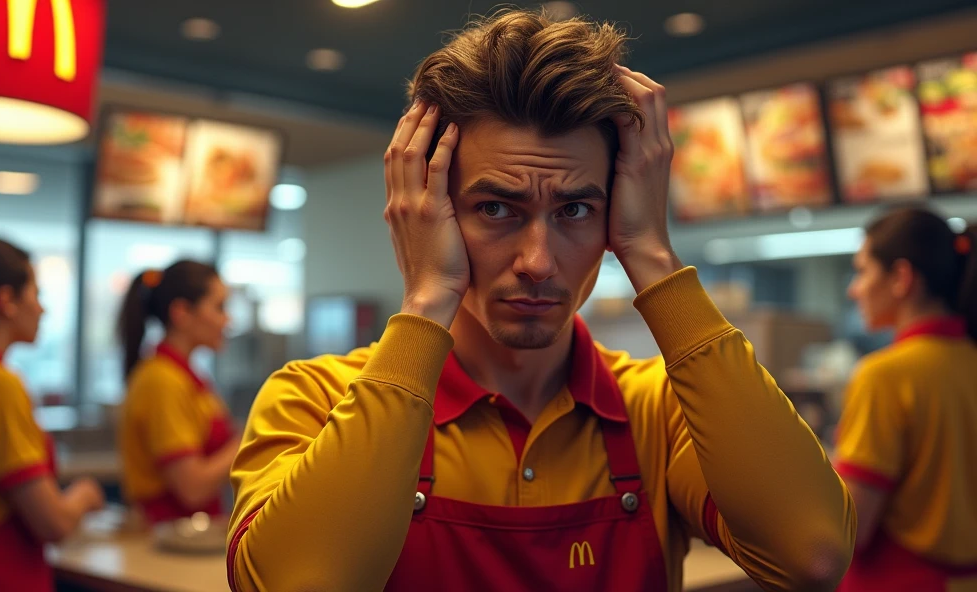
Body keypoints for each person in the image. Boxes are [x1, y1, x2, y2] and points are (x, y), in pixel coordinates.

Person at [227, 10, 855, 592]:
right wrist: (426, 300)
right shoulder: (313, 399)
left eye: (575, 209)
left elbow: (813, 554)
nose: (539, 261)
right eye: (496, 207)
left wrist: (653, 255)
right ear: (427, 208)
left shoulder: (658, 409)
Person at [836, 208, 977, 591]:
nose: (854, 289)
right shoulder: (969, 359)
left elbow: (850, 532)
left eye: (863, 271)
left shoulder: (884, 375)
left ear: (901, 278)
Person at [0, 238, 105, 592]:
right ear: (5, 301)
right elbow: (52, 523)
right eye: (36, 295)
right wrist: (85, 494)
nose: (42, 309)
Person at [117, 260, 240, 525]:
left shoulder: (187, 376)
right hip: (166, 546)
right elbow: (192, 488)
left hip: (195, 538)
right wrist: (248, 441)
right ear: (182, 312)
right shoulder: (161, 381)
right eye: (219, 307)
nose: (228, 319)